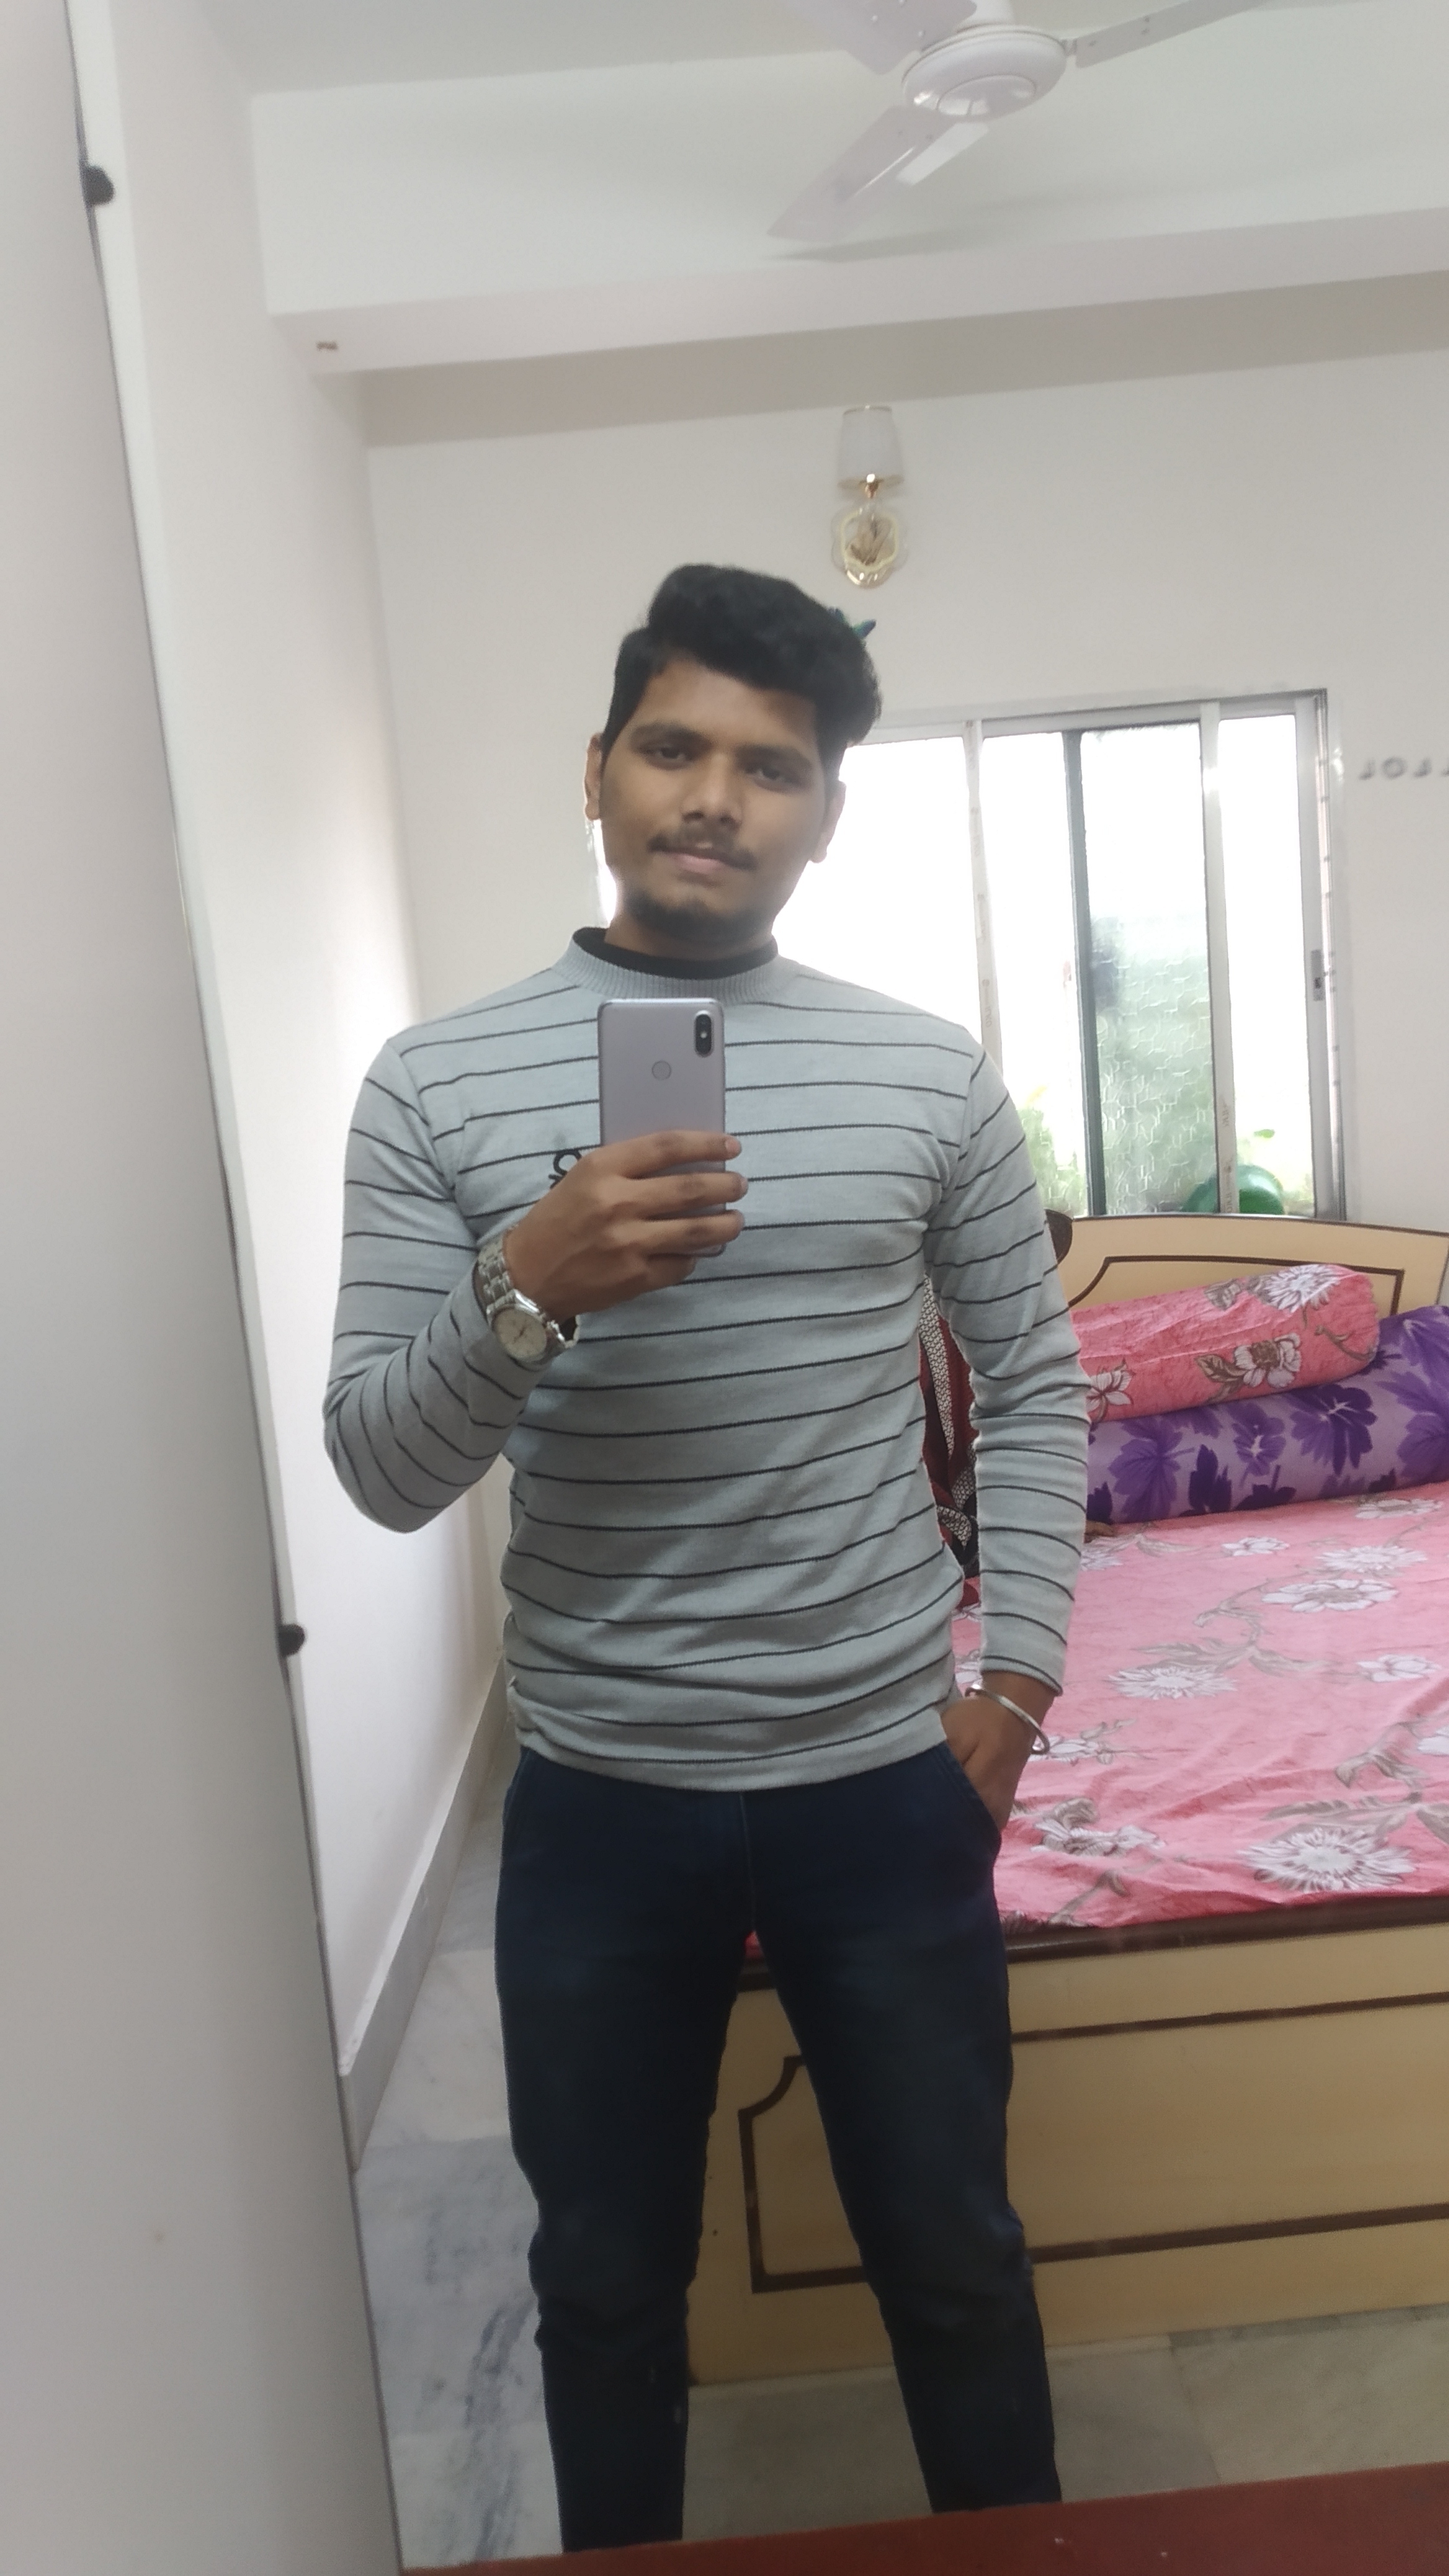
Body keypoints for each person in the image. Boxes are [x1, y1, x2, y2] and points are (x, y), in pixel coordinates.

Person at [325, 565, 1088, 2552]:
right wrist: (528, 1284)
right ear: (596, 770)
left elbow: (1032, 1383)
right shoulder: (433, 1084)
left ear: (824, 813)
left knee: (953, 2255)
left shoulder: (924, 1071)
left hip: (883, 1784)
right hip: (601, 1797)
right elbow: (383, 1472)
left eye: (771, 767)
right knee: (599, 2284)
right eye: (673, 747)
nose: (713, 799)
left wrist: (1015, 1685)